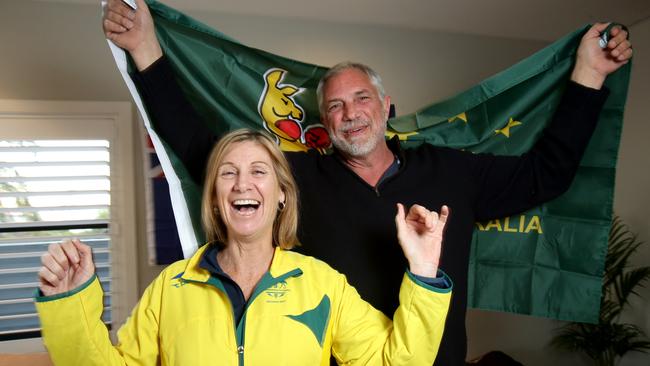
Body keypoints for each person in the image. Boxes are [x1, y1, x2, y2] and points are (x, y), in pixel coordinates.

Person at [102, 0, 633, 364]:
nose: (349, 113)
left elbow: (549, 174)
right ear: (325, 123)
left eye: (360, 100)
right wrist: (146, 49)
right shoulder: (298, 178)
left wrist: (589, 74)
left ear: (385, 106)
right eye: (334, 105)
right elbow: (204, 152)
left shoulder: (453, 171)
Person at [35, 129, 453, 365]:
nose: (242, 184)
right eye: (227, 173)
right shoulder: (170, 288)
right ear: (216, 198)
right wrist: (70, 304)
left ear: (281, 195)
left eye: (258, 171)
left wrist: (423, 271)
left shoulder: (323, 284)